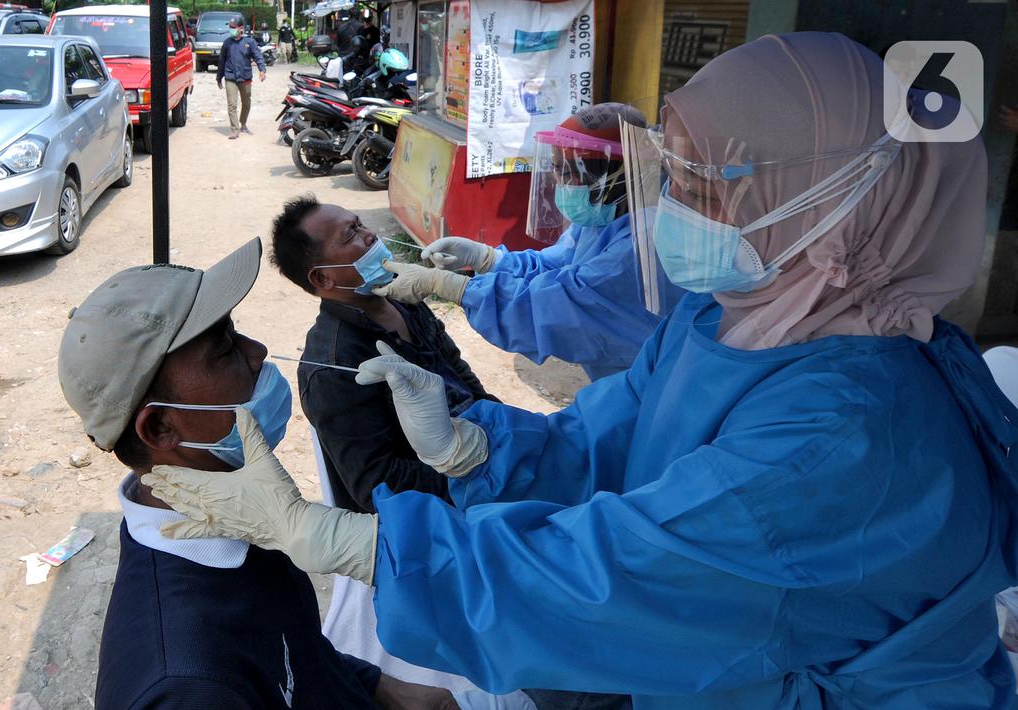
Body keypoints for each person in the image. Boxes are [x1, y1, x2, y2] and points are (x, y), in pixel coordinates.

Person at [140, 33, 1018, 708]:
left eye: (708, 184)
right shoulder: (733, 320)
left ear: (842, 205)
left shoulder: (845, 435)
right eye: (669, 174)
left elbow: (607, 577)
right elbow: (608, 439)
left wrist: (349, 544)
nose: (671, 207)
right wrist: (479, 448)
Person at [57, 239, 458, 709]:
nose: (258, 350)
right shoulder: (187, 684)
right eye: (224, 349)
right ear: (161, 426)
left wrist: (380, 688)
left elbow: (298, 658)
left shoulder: (241, 519)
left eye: (236, 331)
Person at [270, 198, 538, 710]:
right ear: (325, 279)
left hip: (493, 473)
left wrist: (513, 441)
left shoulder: (403, 299)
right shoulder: (331, 365)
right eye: (350, 236)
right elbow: (376, 484)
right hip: (448, 523)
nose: (370, 236)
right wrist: (473, 478)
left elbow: (463, 379)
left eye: (361, 224)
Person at [374, 103, 676, 380]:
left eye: (568, 171)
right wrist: (490, 259)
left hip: (651, 381)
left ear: (616, 176)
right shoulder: (603, 218)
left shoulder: (640, 246)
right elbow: (555, 265)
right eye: (555, 168)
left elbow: (554, 306)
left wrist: (453, 288)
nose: (558, 180)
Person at [216, 18, 266, 140]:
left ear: (241, 28)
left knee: (246, 103)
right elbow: (221, 61)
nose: (231, 29)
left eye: (234, 27)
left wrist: (262, 70)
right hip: (230, 77)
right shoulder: (227, 43)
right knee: (232, 105)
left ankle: (243, 123)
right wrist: (219, 77)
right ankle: (234, 129)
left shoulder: (249, 42)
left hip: (245, 77)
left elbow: (258, 56)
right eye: (230, 27)